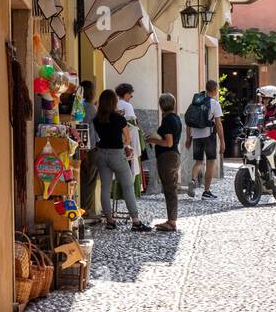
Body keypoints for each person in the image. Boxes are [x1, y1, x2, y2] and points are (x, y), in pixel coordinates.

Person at [94, 89, 151, 232]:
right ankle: (136, 221)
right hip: (117, 155)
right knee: (128, 187)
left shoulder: (97, 119)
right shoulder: (119, 119)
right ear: (114, 102)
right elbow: (127, 138)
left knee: (105, 189)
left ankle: (110, 221)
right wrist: (124, 146)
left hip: (101, 154)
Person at [146, 93, 183, 232]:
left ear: (161, 106)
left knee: (170, 190)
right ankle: (171, 220)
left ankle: (172, 222)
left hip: (167, 157)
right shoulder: (176, 118)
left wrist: (152, 140)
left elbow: (168, 143)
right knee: (170, 189)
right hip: (173, 156)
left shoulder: (168, 121)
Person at [185, 78, 224, 200]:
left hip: (195, 135)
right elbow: (218, 124)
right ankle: (206, 191)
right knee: (211, 162)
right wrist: (222, 141)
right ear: (215, 90)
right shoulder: (214, 103)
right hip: (209, 135)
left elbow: (189, 121)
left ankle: (193, 180)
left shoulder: (196, 101)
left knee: (198, 161)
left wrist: (188, 138)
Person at [80, 80, 100, 221]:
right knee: (90, 180)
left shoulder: (80, 106)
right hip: (90, 148)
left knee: (84, 179)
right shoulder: (90, 108)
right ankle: (87, 209)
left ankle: (85, 208)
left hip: (82, 148)